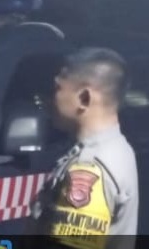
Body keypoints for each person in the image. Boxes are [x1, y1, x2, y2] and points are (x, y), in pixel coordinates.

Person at [27, 47, 139, 249]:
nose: (51, 99)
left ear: (84, 98)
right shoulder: (118, 148)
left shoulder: (88, 169)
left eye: (57, 88)